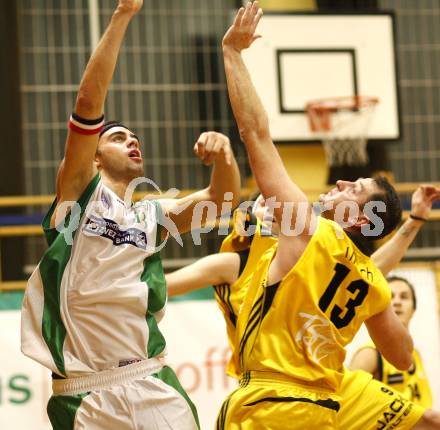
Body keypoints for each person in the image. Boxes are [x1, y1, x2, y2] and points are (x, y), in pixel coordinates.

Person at [20, 1, 240, 429]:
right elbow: (87, 102)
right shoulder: (77, 195)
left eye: (135, 138)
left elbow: (222, 202)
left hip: (149, 376)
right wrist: (122, 15)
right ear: (95, 157)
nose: (132, 142)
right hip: (83, 391)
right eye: (119, 138)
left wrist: (226, 157)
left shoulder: (151, 216)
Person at [218, 2, 425, 428]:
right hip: (324, 413)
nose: (344, 183)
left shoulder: (309, 229)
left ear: (363, 222)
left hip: (270, 405)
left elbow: (255, 134)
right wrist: (376, 303)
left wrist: (233, 55)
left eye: (357, 189)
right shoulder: (371, 282)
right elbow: (402, 358)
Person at [167, 185, 440, 429]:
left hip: (329, 382)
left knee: (429, 421)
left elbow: (367, 273)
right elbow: (160, 287)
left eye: (276, 203)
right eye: (265, 204)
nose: (275, 207)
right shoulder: (232, 264)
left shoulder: (311, 250)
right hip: (273, 384)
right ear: (248, 219)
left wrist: (415, 219)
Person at [350, 276, 433, 408]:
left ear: (413, 309)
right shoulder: (369, 354)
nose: (397, 302)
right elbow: (347, 404)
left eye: (404, 297)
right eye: (390, 297)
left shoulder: (416, 355)